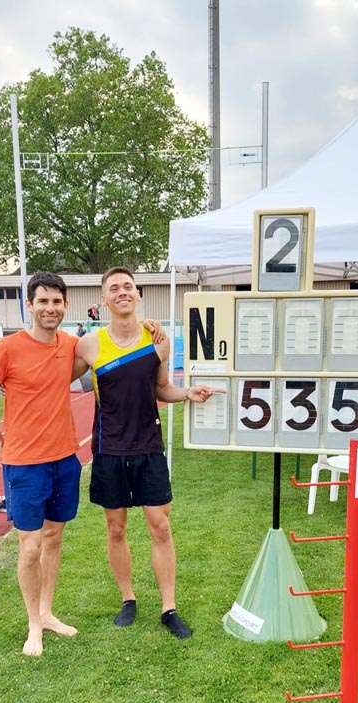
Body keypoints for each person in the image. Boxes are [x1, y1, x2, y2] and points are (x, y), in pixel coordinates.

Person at [0, 271, 164, 656]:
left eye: (57, 302)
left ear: (65, 306)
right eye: (42, 301)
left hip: (65, 460)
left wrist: (149, 326)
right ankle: (33, 626)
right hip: (24, 463)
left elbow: (113, 347)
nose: (50, 308)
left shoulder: (72, 346)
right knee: (30, 549)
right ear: (30, 304)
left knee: (54, 539)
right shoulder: (7, 349)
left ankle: (48, 612)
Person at [75, 266, 222, 639]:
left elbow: (162, 388)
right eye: (114, 288)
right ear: (104, 300)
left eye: (128, 286)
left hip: (148, 448)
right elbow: (55, 379)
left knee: (160, 526)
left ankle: (168, 607)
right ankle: (128, 599)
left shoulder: (158, 340)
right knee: (116, 528)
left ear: (138, 294)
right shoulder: (89, 345)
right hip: (109, 450)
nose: (122, 292)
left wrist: (187, 393)